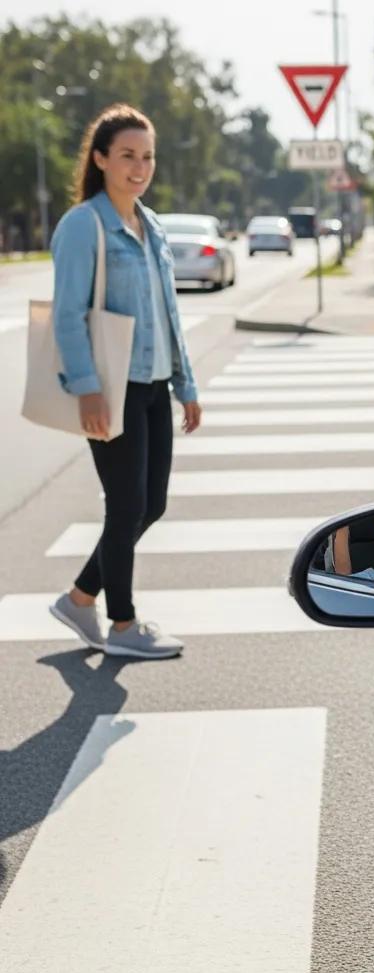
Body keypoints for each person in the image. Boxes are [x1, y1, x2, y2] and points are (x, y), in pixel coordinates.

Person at [47, 104, 201, 659]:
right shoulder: (83, 225)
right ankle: (123, 623)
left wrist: (186, 384)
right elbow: (67, 314)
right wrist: (87, 387)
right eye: (128, 156)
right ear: (101, 159)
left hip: (154, 384)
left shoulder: (150, 222)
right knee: (125, 503)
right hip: (112, 387)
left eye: (148, 156)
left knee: (150, 504)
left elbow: (168, 311)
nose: (140, 166)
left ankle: (80, 597)